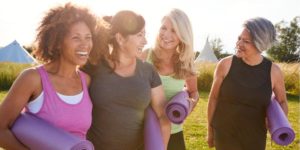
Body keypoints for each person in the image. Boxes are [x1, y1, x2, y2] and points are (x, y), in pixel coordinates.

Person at [0, 3, 106, 149]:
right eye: (76, 38)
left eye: (88, 37)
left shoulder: (86, 80)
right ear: (57, 42)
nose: (85, 44)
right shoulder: (32, 79)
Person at [81, 10, 171, 150]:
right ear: (120, 38)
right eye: (139, 35)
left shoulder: (148, 71)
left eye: (144, 35)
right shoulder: (93, 67)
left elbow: (163, 117)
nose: (145, 41)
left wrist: (162, 147)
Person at [207, 17, 288, 150]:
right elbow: (213, 98)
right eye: (239, 38)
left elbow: (283, 102)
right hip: (225, 133)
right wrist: (210, 131)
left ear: (260, 44)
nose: (239, 43)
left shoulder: (274, 72)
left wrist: (277, 123)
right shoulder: (225, 64)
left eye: (246, 41)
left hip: (255, 137)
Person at [140, 8, 199, 150]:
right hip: (143, 132)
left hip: (174, 133)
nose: (166, 34)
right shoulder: (145, 56)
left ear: (183, 35)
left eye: (174, 30)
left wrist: (190, 104)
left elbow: (194, 93)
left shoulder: (186, 63)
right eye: (164, 28)